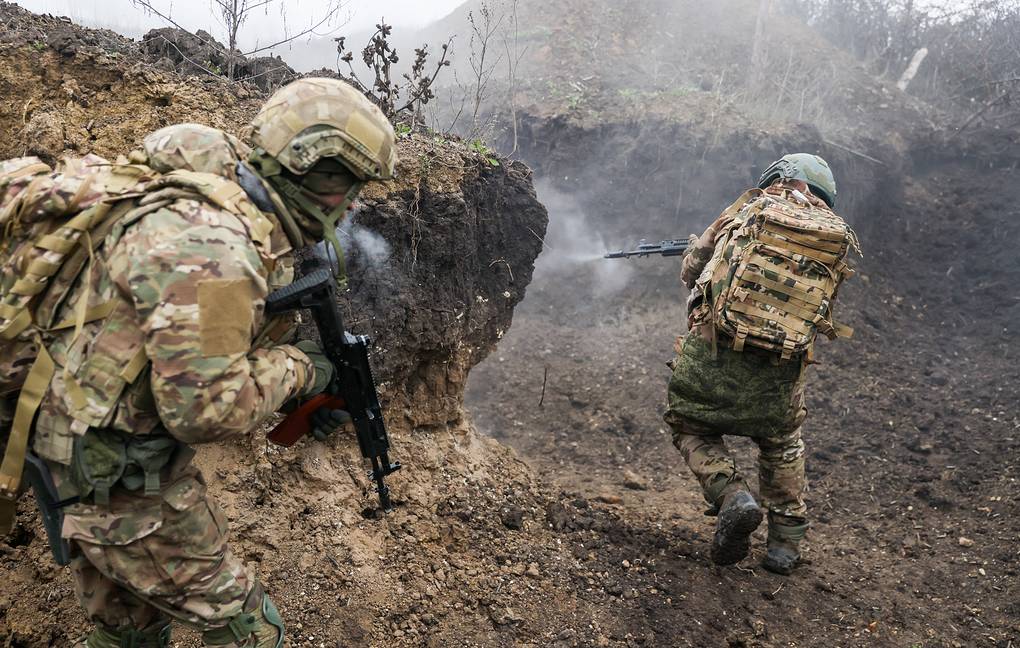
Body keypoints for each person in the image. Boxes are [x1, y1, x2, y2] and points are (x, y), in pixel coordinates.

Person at [0, 78, 396, 647]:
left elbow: (184, 335)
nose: (353, 203)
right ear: (315, 171)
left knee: (129, 630)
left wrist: (294, 393)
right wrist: (306, 370)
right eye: (348, 185)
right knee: (249, 628)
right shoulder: (216, 250)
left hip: (69, 425)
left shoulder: (209, 179)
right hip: (117, 475)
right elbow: (204, 411)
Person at [665, 153, 859, 575]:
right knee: (782, 442)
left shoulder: (749, 208)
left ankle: (732, 494)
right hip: (779, 373)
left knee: (689, 425)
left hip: (713, 358)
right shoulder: (833, 237)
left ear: (777, 176)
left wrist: (702, 247)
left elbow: (691, 272)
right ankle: (785, 546)